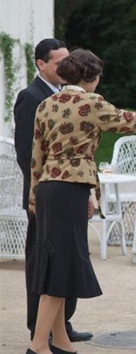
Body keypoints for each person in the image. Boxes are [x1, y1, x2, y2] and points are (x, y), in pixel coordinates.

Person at [26, 48, 136, 354]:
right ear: (90, 77)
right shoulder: (91, 102)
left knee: (56, 263)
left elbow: (36, 156)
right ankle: (38, 346)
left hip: (49, 189)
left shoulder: (45, 104)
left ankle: (60, 340)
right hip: (70, 189)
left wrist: (34, 198)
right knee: (58, 266)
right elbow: (124, 121)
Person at [13, 38, 94, 343]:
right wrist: (43, 191)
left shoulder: (67, 98)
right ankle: (40, 329)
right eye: (59, 62)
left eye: (67, 61)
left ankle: (62, 327)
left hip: (66, 192)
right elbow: (27, 153)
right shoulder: (31, 98)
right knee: (42, 262)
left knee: (67, 258)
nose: (65, 67)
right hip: (45, 196)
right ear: (41, 64)